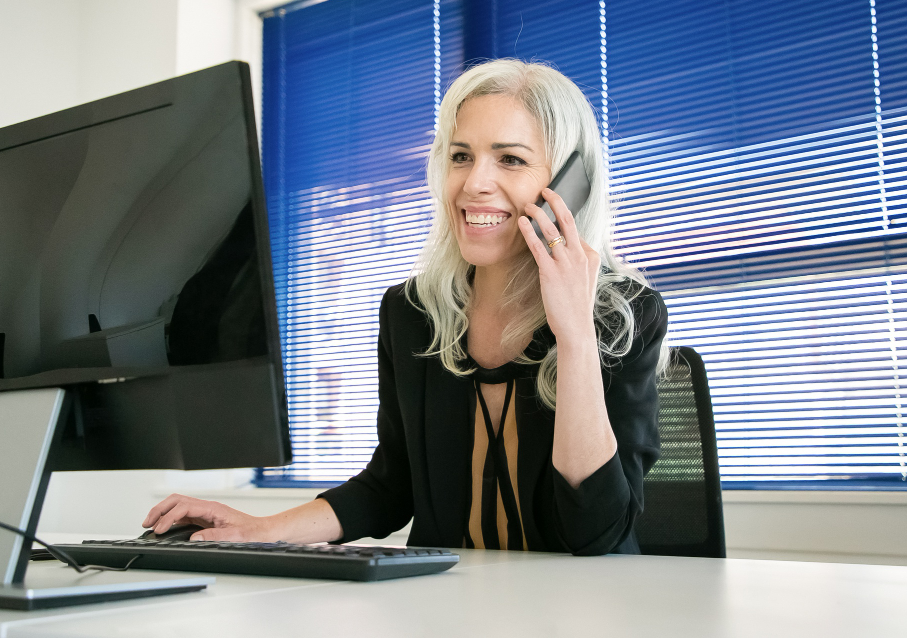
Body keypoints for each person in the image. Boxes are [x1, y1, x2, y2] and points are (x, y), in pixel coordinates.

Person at [143, 59, 668, 555]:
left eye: (510, 159)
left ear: (569, 183)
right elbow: (392, 485)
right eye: (460, 156)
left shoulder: (625, 317)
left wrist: (575, 333)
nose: (474, 183)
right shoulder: (412, 312)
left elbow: (595, 532)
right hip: (443, 604)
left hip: (580, 610)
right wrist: (261, 530)